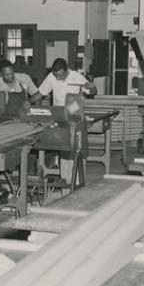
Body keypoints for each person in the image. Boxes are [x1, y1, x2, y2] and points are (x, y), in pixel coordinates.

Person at [29, 58, 97, 189]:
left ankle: (78, 184)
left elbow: (93, 92)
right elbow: (41, 93)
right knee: (64, 151)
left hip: (75, 115)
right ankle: (66, 185)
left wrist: (92, 87)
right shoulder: (51, 77)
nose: (58, 78)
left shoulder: (77, 77)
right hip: (60, 116)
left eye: (60, 75)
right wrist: (28, 102)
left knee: (77, 150)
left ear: (67, 70)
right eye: (56, 75)